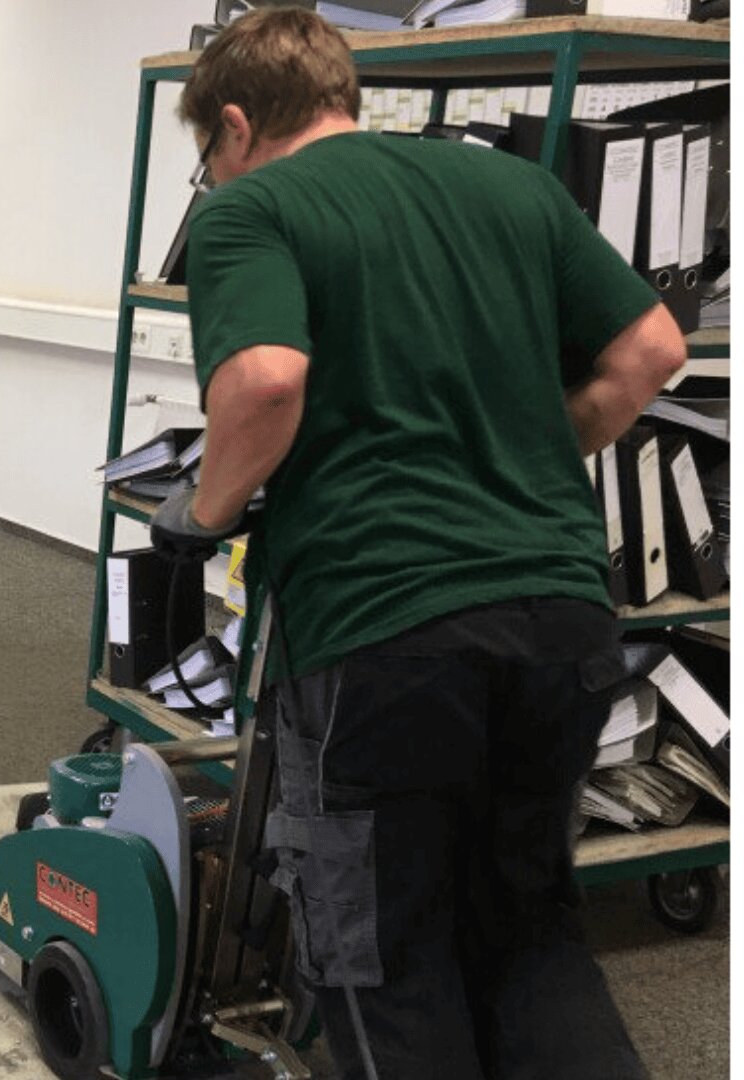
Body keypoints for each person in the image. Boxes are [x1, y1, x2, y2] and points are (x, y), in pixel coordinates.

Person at [147, 10, 686, 1079]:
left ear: (238, 123)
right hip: (561, 620)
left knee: (383, 960)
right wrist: (530, 451)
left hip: (379, 634)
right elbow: (652, 348)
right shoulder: (517, 188)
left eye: (207, 153)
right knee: (530, 932)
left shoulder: (251, 210)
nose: (211, 174)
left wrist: (202, 515)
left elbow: (264, 382)